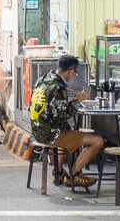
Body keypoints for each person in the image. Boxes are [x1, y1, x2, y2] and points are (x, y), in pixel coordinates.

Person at [29, 54, 102, 187]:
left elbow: (49, 107)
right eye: (75, 73)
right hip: (51, 134)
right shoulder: (58, 87)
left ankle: (58, 172)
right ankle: (73, 175)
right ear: (71, 70)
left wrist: (66, 102)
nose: (74, 76)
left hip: (37, 129)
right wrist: (78, 100)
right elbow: (62, 115)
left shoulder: (43, 80)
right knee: (97, 141)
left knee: (70, 130)